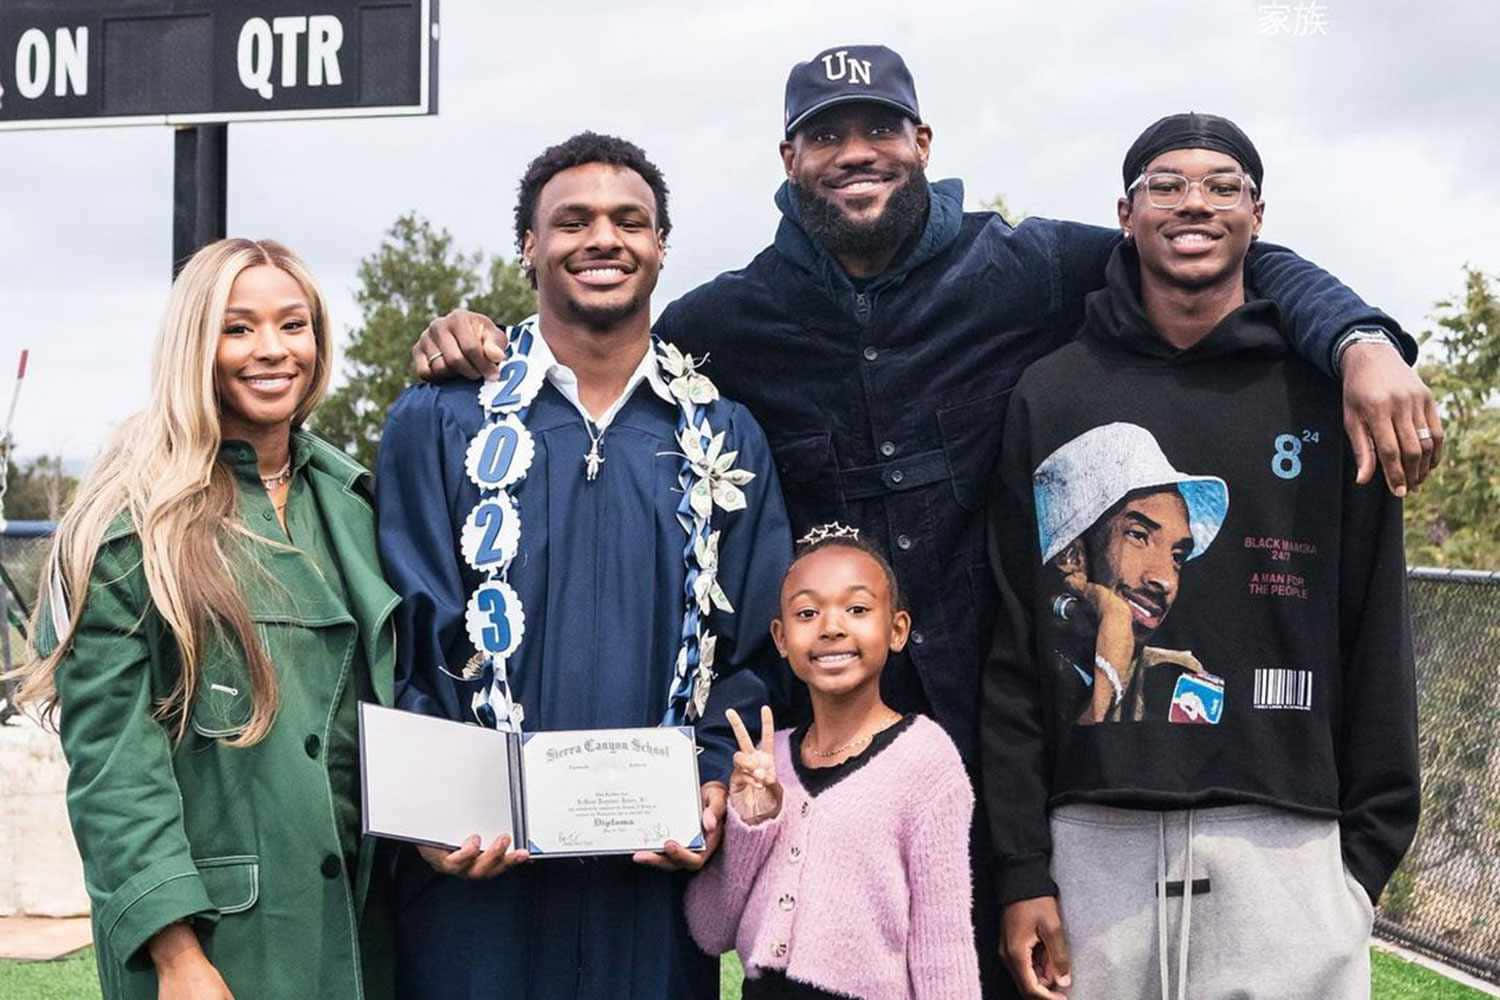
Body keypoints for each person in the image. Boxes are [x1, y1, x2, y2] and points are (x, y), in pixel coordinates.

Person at [407, 45, 1439, 995]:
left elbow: (1203, 244)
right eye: (827, 134)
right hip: (826, 769)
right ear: (789, 156)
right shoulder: (725, 324)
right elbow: (605, 350)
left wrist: (1357, 338)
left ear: (922, 143)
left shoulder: (1027, 270)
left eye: (880, 128)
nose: (856, 153)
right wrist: (487, 342)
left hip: (1003, 760)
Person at [984, 113, 1420, 1000]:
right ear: (1125, 211)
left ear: (1258, 216)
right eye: (1168, 184)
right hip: (1091, 852)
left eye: (1223, 186)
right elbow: (1013, 653)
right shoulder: (1053, 390)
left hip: (1291, 851)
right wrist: (1025, 864)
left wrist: (1357, 869)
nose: (1196, 203)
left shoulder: (1327, 388)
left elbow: (1376, 630)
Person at [374, 132, 793, 999]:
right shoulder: (441, 422)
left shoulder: (724, 438)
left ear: (661, 246)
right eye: (572, 222)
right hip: (476, 882)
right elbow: (407, 630)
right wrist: (430, 813)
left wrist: (712, 780)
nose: (603, 238)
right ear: (529, 246)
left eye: (629, 221)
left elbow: (751, 649)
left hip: (647, 881)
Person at [11, 239, 399, 1000]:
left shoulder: (356, 503)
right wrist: (177, 956)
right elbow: (116, 775)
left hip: (364, 927)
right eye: (238, 327)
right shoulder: (129, 526)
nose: (272, 350)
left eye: (294, 325)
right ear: (196, 343)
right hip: (222, 944)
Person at [685, 526, 980, 1000]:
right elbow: (710, 928)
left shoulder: (927, 760)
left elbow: (944, 946)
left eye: (858, 609)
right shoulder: (767, 760)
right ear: (781, 638)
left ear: (898, 629)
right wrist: (751, 824)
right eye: (807, 613)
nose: (831, 627)